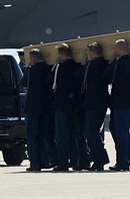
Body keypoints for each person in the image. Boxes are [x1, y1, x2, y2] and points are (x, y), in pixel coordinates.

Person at [51, 43, 88, 171]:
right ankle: (76, 161)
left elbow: (51, 81)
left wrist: (55, 64)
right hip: (74, 105)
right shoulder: (76, 66)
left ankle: (63, 163)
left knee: (61, 135)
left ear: (62, 54)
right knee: (74, 134)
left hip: (62, 105)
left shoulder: (60, 67)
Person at [108, 39, 130, 171]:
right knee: (121, 129)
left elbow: (108, 76)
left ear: (120, 49)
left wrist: (111, 61)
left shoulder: (118, 63)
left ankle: (123, 161)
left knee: (120, 131)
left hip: (120, 100)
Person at [19, 49, 53, 172]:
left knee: (32, 136)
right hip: (45, 107)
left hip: (33, 107)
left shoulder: (32, 71)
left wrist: (28, 68)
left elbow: (22, 82)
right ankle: (45, 160)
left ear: (33, 58)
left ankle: (35, 163)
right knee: (42, 135)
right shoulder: (48, 68)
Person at [80, 42, 111, 171]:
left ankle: (100, 159)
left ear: (92, 52)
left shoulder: (93, 65)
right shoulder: (103, 64)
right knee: (93, 132)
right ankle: (101, 158)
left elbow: (81, 76)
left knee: (91, 132)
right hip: (98, 102)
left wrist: (84, 63)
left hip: (94, 102)